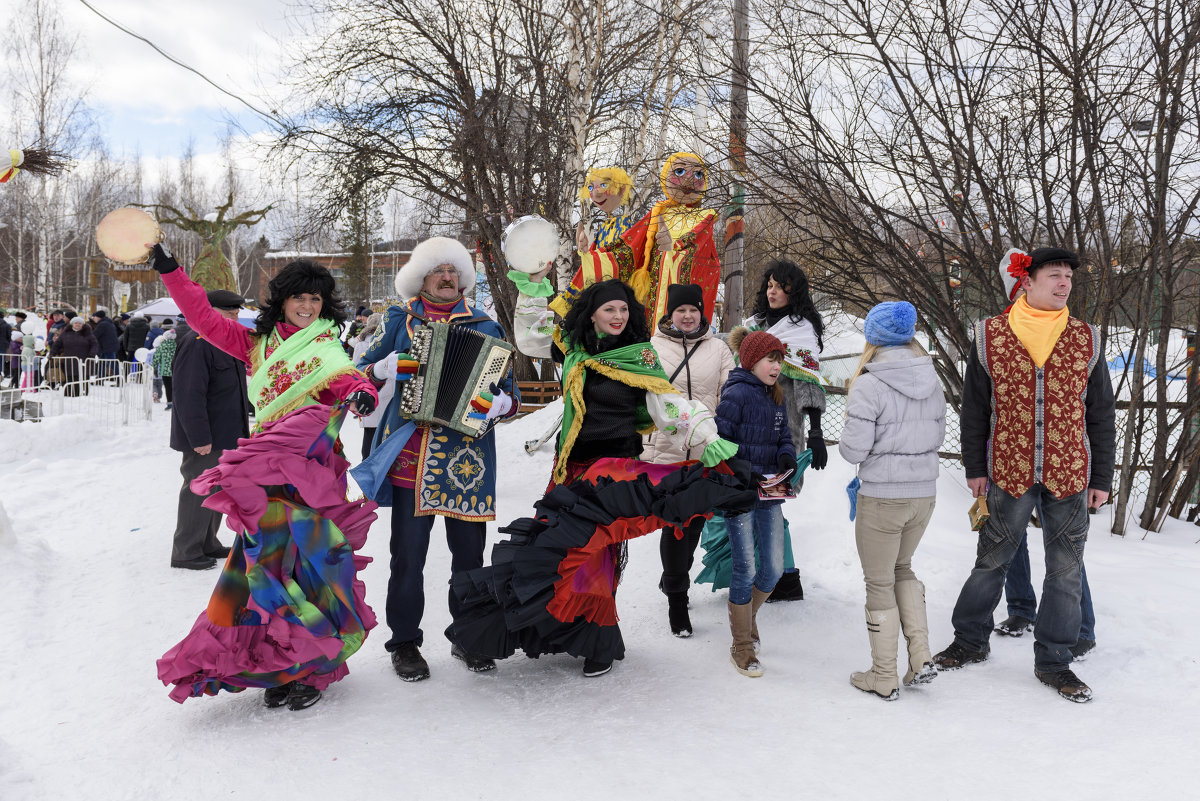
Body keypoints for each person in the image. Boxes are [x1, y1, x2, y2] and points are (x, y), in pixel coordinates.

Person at [448, 275, 750, 678]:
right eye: (610, 308)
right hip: (570, 473)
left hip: (612, 476)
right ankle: (531, 630)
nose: (619, 316)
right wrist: (534, 287)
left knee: (596, 563)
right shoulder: (573, 349)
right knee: (546, 558)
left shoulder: (638, 356)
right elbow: (532, 336)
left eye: (624, 309)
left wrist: (708, 438)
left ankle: (597, 642)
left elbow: (670, 406)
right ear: (592, 314)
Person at [152, 243, 379, 711]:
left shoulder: (324, 346)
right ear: (282, 301)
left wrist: (362, 392)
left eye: (316, 299)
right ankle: (278, 663)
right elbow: (200, 316)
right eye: (299, 297)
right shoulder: (253, 344)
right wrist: (172, 270)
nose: (307, 306)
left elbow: (346, 378)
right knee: (264, 572)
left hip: (311, 474)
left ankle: (312, 670)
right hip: (263, 475)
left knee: (309, 569)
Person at [931, 247, 1116, 703]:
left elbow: (1101, 415)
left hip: (1069, 473)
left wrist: (1102, 477)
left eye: (1068, 277)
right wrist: (975, 467)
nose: (1064, 283)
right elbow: (974, 408)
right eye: (1054, 275)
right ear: (1027, 283)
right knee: (991, 561)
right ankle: (969, 641)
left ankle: (1055, 661)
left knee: (1065, 572)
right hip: (1008, 471)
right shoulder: (989, 336)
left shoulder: (1086, 339)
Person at [354, 236, 520, 683]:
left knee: (470, 557)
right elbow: (357, 378)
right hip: (412, 457)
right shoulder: (400, 321)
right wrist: (382, 369)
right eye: (438, 271)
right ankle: (405, 642)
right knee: (408, 556)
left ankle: (468, 636)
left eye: (454, 272)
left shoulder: (486, 326)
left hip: (468, 461)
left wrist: (501, 404)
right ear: (421, 278)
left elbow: (511, 393)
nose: (448, 278)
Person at [696, 260, 826, 601]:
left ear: (794, 292)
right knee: (748, 500)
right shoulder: (752, 326)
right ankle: (768, 575)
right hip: (744, 427)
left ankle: (781, 576)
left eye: (782, 286)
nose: (773, 291)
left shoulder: (802, 330)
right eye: (770, 284)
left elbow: (811, 381)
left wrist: (815, 429)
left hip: (783, 427)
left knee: (770, 500)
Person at [990, 251, 1097, 658]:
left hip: (1059, 459)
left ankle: (1081, 626)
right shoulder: (1001, 334)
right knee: (1007, 538)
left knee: (1065, 548)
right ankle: (1020, 608)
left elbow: (1090, 408)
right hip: (1007, 457)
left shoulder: (1071, 336)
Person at [838, 301, 946, 700]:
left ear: (873, 338)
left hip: (883, 496)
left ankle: (884, 675)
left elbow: (853, 451)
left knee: (879, 582)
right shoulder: (931, 377)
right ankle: (920, 657)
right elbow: (935, 437)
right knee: (903, 567)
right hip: (924, 494)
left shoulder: (869, 382)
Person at [641, 282, 735, 637]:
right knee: (674, 523)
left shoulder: (718, 349)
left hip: (703, 448)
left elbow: (729, 392)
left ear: (702, 312)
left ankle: (673, 582)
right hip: (663, 449)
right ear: (670, 312)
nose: (687, 315)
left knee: (692, 522)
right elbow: (646, 393)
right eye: (681, 310)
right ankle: (677, 601)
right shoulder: (652, 348)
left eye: (693, 310)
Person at [715, 331, 797, 677]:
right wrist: (740, 471)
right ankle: (742, 646)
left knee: (774, 568)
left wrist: (786, 458)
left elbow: (784, 437)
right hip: (740, 492)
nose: (776, 366)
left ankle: (747, 621)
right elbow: (719, 442)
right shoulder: (736, 394)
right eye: (770, 359)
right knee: (745, 568)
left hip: (770, 493)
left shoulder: (775, 396)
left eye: (779, 360)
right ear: (751, 361)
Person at [167, 289, 252, 571]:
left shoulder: (225, 341)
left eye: (237, 311)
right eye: (227, 310)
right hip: (207, 436)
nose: (234, 315)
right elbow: (188, 394)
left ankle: (207, 542)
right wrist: (199, 437)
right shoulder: (197, 342)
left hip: (227, 432)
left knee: (216, 488)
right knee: (197, 490)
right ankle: (186, 551)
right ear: (207, 311)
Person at [349, 312, 393, 461]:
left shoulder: (361, 345)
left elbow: (355, 369)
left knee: (369, 433)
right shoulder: (389, 343)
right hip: (387, 391)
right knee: (385, 433)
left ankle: (366, 461)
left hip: (368, 392)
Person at [48, 316, 98, 395]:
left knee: (83, 377)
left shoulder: (88, 334)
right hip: (69, 361)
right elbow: (57, 344)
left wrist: (92, 354)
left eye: (80, 323)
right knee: (70, 377)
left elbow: (94, 345)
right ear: (72, 324)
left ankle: (83, 393)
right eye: (76, 323)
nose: (78, 325)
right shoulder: (65, 333)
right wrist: (52, 353)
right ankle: (70, 393)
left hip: (84, 361)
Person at [151, 327, 178, 409]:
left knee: (168, 387)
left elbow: (155, 358)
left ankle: (170, 403)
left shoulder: (161, 346)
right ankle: (177, 403)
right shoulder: (177, 346)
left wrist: (155, 369)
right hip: (176, 370)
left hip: (165, 371)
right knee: (176, 387)